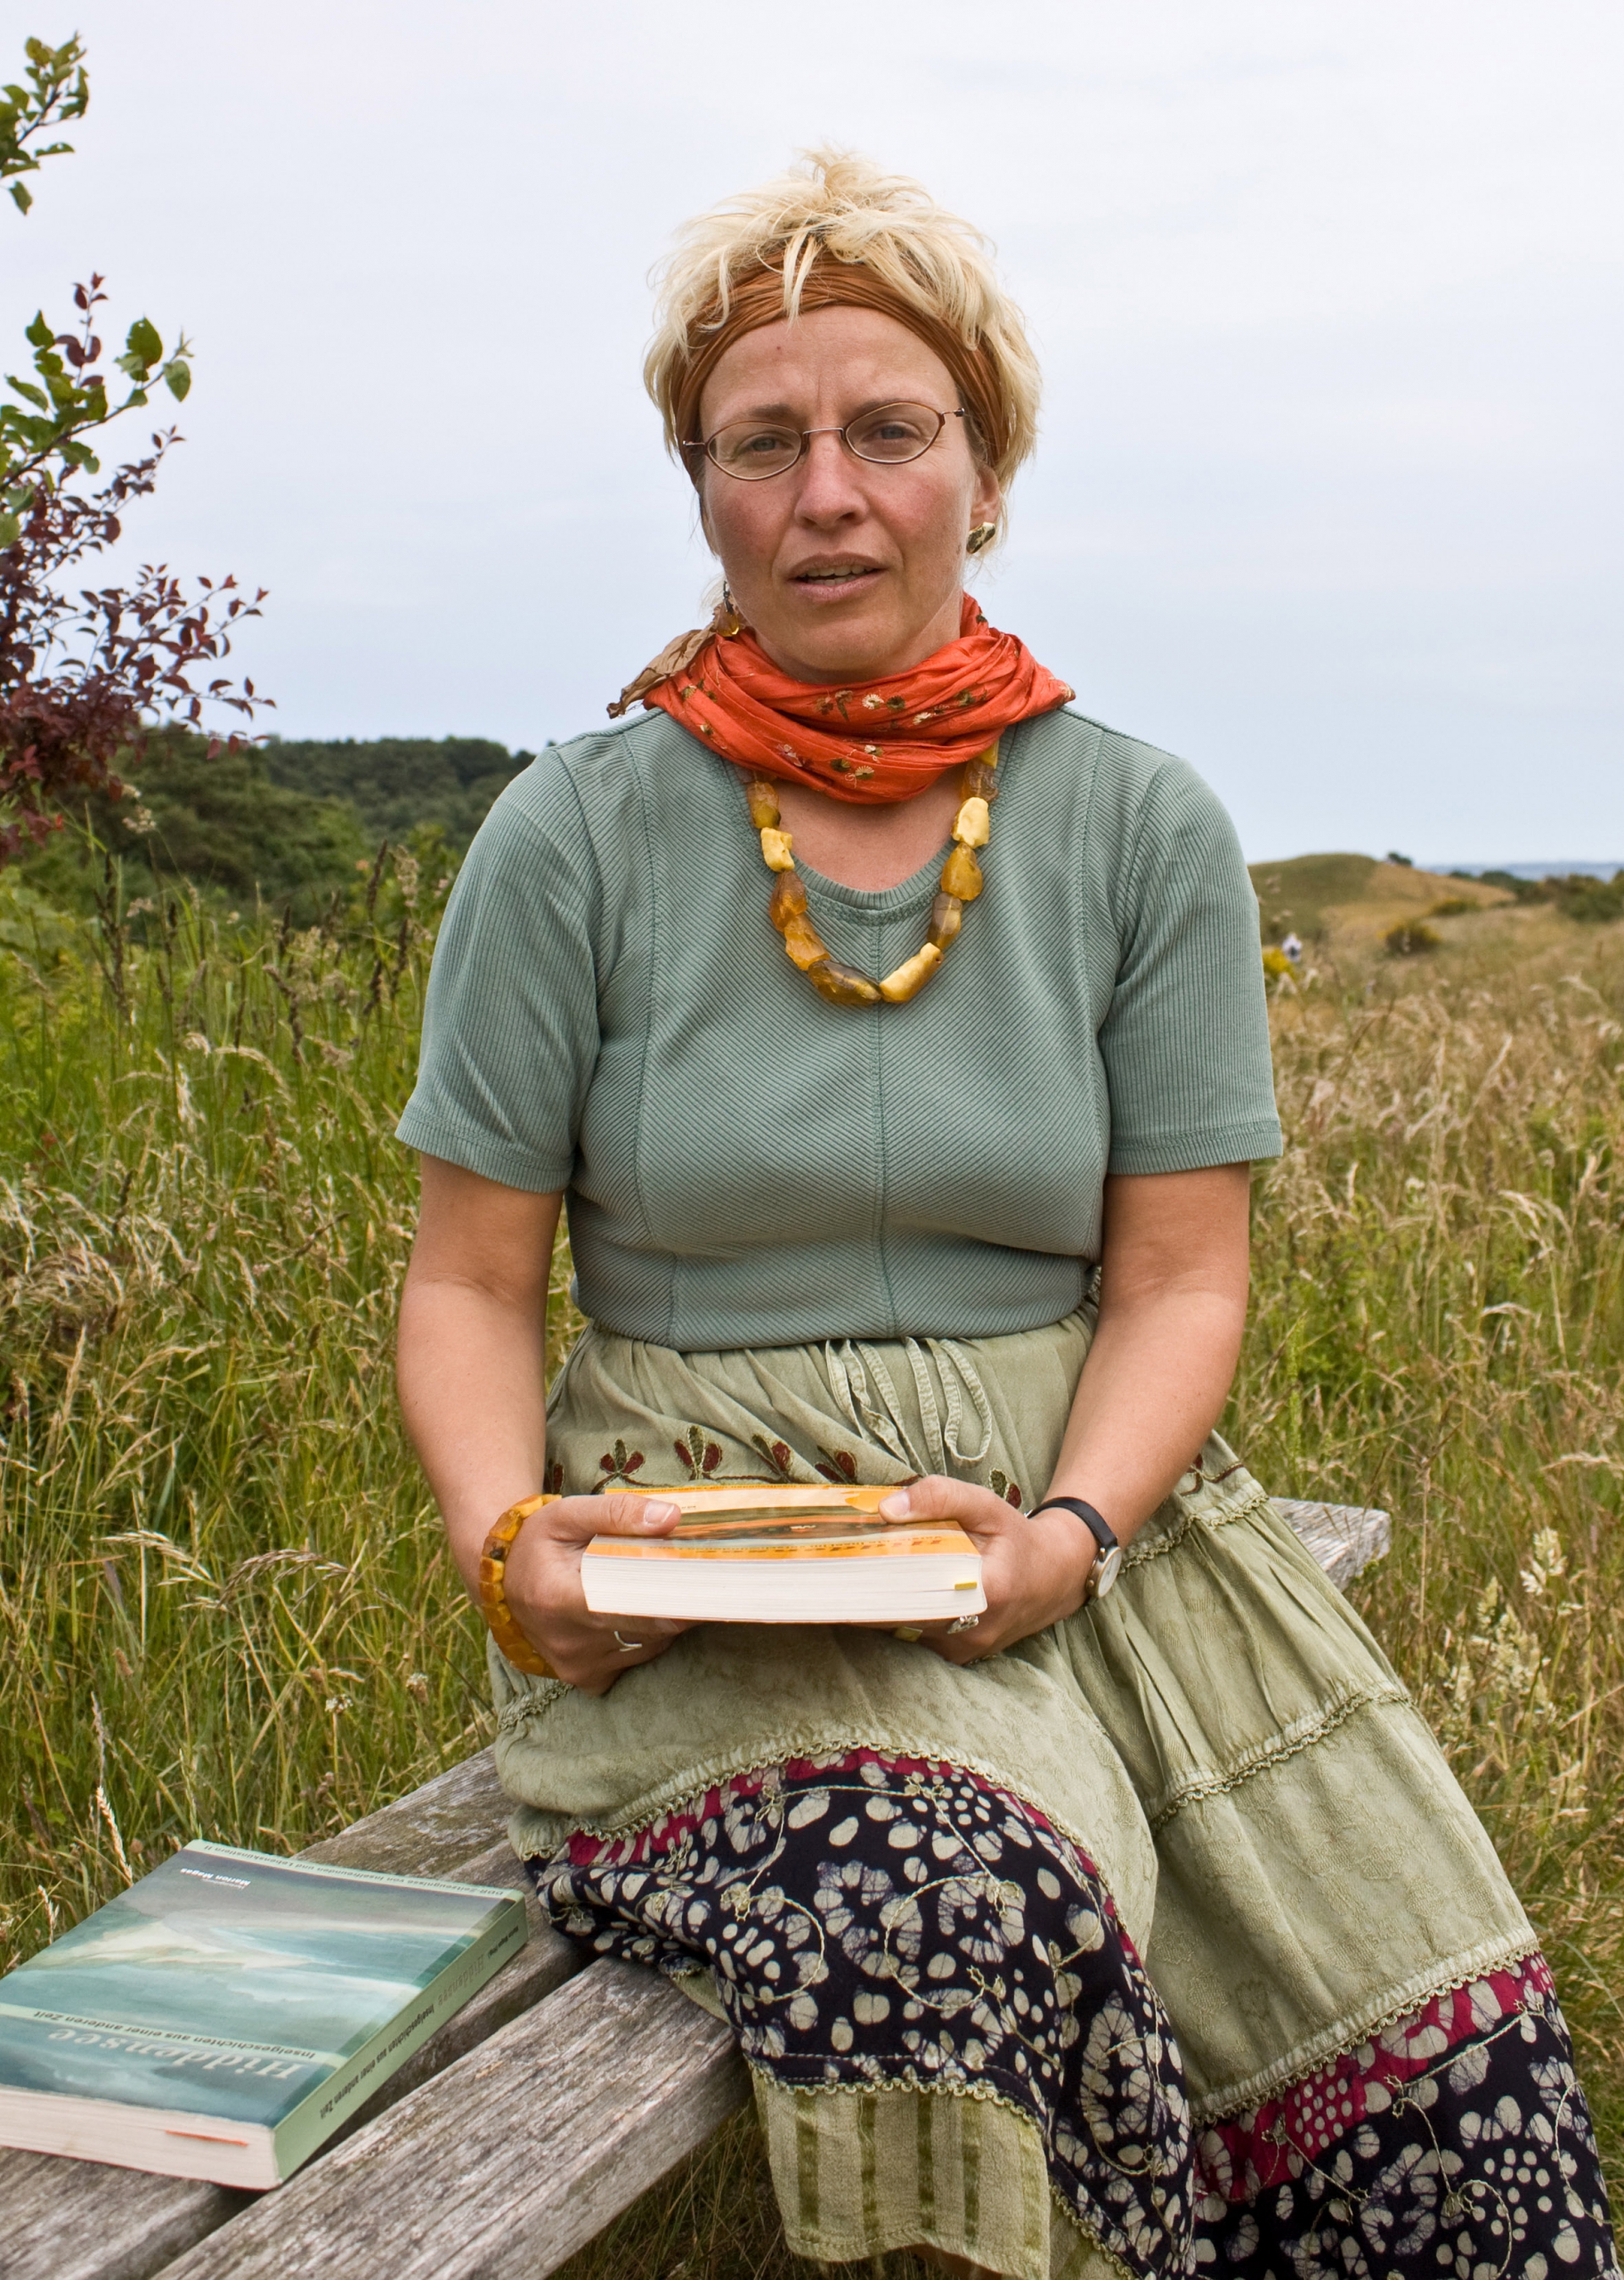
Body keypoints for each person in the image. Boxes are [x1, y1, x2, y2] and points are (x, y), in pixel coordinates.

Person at [395, 152, 1616, 2280]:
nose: (829, 491)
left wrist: (1074, 1530)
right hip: (707, 1559)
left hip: (1080, 1528)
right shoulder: (569, 835)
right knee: (965, 1903)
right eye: (762, 442)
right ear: (701, 489)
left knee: (1420, 2044)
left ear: (988, 466)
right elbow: (473, 1275)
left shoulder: (1137, 822)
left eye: (891, 428)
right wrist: (515, 1546)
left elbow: (1180, 1271)